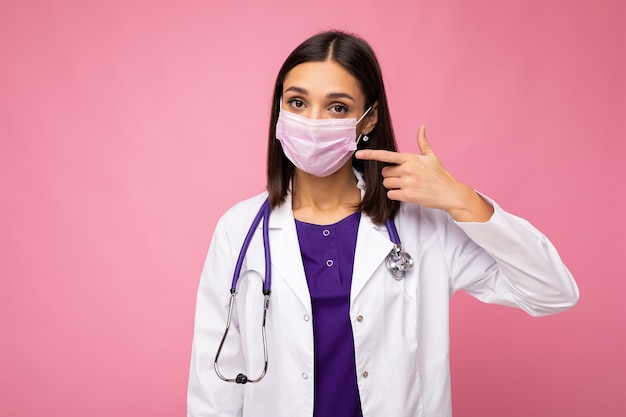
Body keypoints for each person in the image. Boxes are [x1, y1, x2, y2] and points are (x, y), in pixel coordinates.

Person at [187, 30, 579, 417]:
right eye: (298, 102)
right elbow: (214, 381)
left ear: (368, 118)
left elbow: (552, 292)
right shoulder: (239, 229)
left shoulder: (423, 226)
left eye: (337, 107)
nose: (313, 121)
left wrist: (462, 198)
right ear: (280, 109)